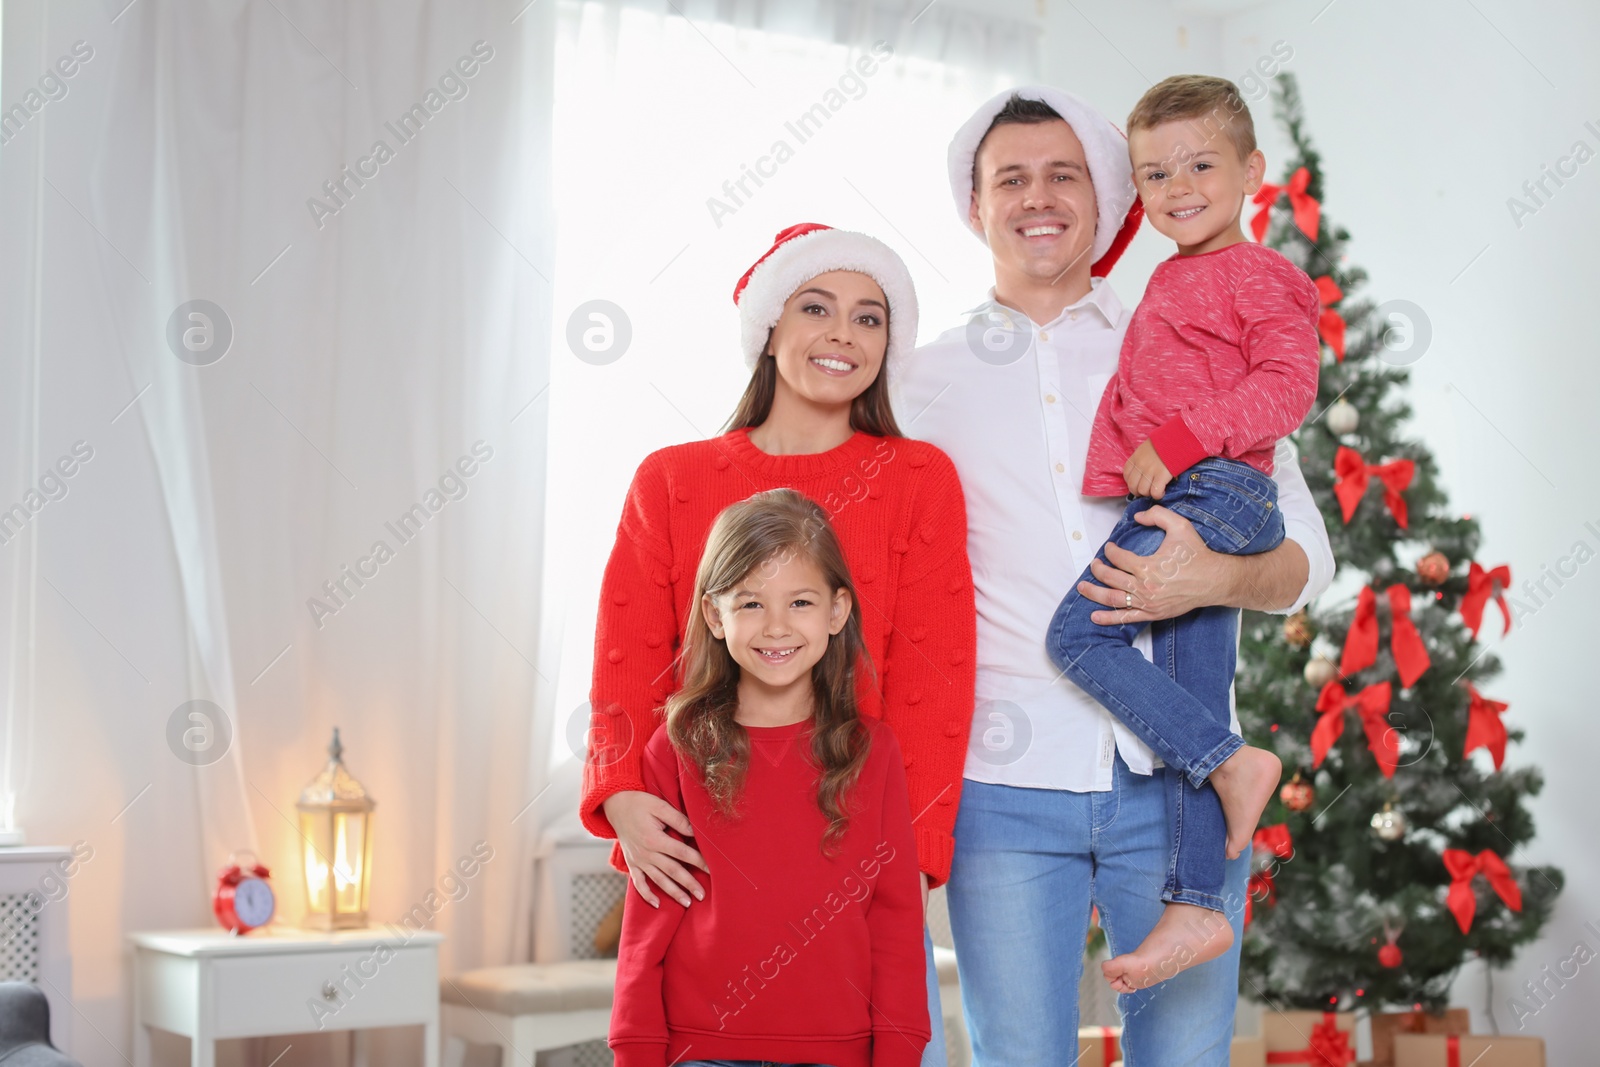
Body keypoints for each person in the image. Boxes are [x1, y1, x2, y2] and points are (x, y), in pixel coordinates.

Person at [893, 86, 1335, 1065]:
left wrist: (1209, 575)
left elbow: (1307, 559)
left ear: (1105, 196)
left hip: (1177, 783)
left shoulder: (1188, 329)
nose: (1037, 197)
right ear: (975, 206)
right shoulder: (917, 381)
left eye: (1063, 175)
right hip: (1001, 786)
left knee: (1183, 1055)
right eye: (1010, 178)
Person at [581, 223, 976, 1067]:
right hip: (715, 863)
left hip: (858, 893)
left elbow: (934, 684)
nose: (843, 332)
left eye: (870, 318)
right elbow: (624, 661)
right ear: (768, 328)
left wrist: (912, 861)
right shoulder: (671, 480)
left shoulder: (920, 479)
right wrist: (619, 792)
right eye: (815, 306)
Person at [1045, 74, 1321, 992]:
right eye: (1156, 173)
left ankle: (1235, 762)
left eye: (1202, 164)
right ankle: (1200, 902)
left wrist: (1179, 440)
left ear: (1252, 170)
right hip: (1193, 494)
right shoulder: (1169, 274)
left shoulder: (1262, 271)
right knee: (1199, 698)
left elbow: (1289, 387)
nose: (1180, 186)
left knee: (1077, 634)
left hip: (1222, 493)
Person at [608, 488, 929, 1067]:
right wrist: (635, 1051)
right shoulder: (675, 747)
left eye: (800, 603)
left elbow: (897, 917)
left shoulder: (873, 751)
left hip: (839, 1053)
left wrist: (900, 1052)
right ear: (714, 614)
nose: (776, 627)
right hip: (700, 1051)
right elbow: (647, 922)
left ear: (837, 611)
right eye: (751, 604)